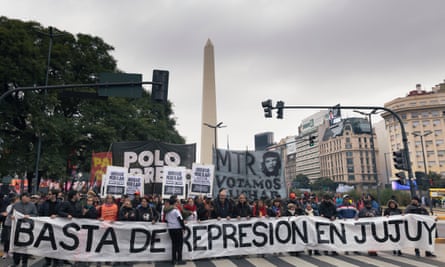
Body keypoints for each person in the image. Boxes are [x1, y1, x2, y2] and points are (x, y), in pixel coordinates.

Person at [10, 192, 38, 267]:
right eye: (23, 199)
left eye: (26, 198)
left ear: (29, 198)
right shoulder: (16, 205)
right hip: (17, 227)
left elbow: (35, 214)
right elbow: (10, 213)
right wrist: (12, 216)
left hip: (27, 228)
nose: (25, 200)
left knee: (25, 246)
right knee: (16, 245)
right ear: (21, 198)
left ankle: (24, 263)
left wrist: (29, 216)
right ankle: (16, 262)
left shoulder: (32, 205)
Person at [39, 190, 62, 267]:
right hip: (47, 226)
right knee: (47, 244)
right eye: (48, 194)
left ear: (54, 195)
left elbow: (64, 213)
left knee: (56, 244)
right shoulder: (44, 203)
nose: (47, 195)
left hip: (57, 227)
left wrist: (57, 216)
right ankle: (48, 261)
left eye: (49, 194)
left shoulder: (60, 203)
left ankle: (56, 262)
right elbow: (40, 213)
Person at [164, 197, 186, 265]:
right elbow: (180, 219)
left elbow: (166, 220)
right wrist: (183, 227)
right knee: (179, 244)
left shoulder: (168, 211)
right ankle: (179, 259)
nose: (177, 203)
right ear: (174, 203)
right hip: (177, 229)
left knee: (174, 244)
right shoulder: (176, 210)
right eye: (176, 202)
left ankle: (173, 260)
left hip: (171, 229)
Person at [1, 194, 18, 260]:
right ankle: (5, 252)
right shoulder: (9, 206)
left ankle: (11, 251)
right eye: (17, 199)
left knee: (13, 239)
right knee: (7, 239)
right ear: (14, 200)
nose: (18, 200)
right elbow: (8, 213)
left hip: (15, 225)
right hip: (8, 225)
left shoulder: (19, 206)